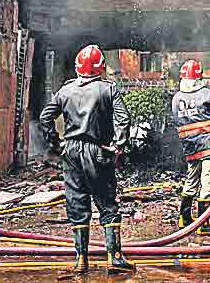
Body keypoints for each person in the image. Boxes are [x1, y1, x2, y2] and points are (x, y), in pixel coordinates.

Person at [38, 44, 134, 274]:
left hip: (70, 152)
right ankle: (115, 258)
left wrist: (55, 142)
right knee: (107, 203)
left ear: (78, 67)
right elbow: (124, 120)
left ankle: (81, 261)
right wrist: (118, 146)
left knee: (77, 203)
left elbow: (45, 117)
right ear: (100, 67)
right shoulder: (108, 89)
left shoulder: (66, 90)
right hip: (98, 151)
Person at [170, 59, 210, 235]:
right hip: (209, 145)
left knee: (191, 179)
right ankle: (203, 224)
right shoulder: (206, 94)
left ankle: (185, 219)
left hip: (190, 146)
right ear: (199, 76)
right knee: (209, 180)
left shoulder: (176, 98)